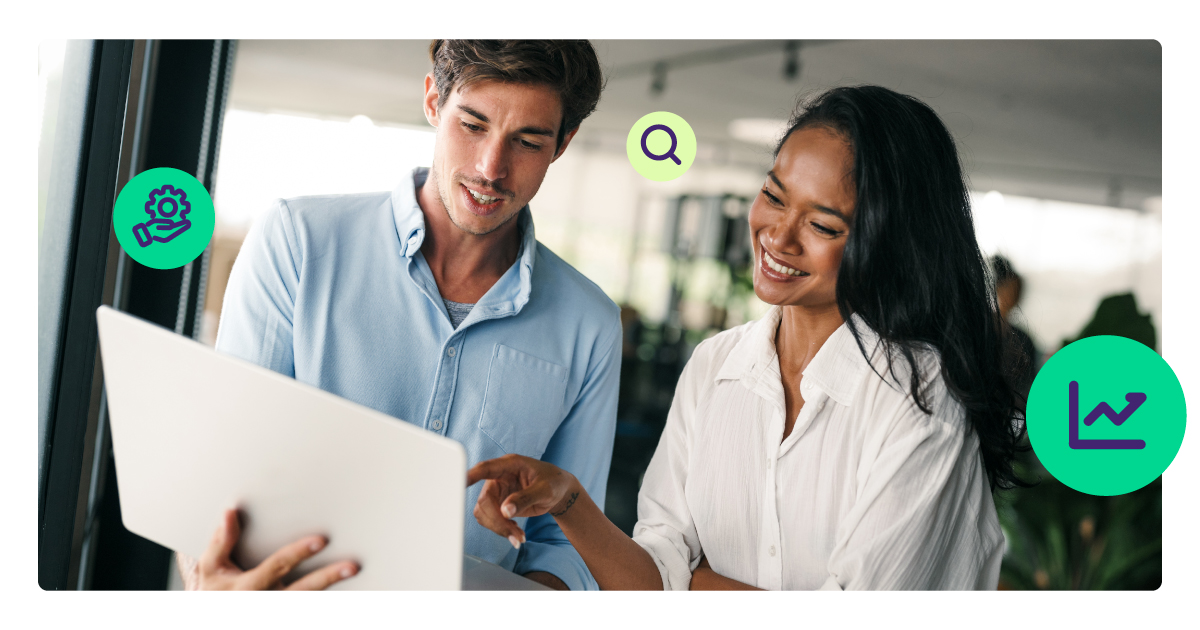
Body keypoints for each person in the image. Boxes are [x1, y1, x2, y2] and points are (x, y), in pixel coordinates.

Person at [468, 85, 1026, 590]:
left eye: (823, 225)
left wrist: (690, 584)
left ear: (889, 245)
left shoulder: (919, 395)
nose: (778, 236)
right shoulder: (715, 365)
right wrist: (567, 499)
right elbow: (652, 577)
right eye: (775, 196)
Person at [179, 40, 619, 591]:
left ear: (563, 143)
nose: (491, 169)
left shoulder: (590, 324)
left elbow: (565, 548)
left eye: (527, 141)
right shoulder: (298, 242)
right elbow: (221, 474)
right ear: (434, 100)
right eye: (473, 124)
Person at [990, 254, 1039, 405]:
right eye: (1012, 289)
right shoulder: (980, 330)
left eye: (1018, 290)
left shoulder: (1023, 338)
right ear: (998, 288)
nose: (1016, 295)